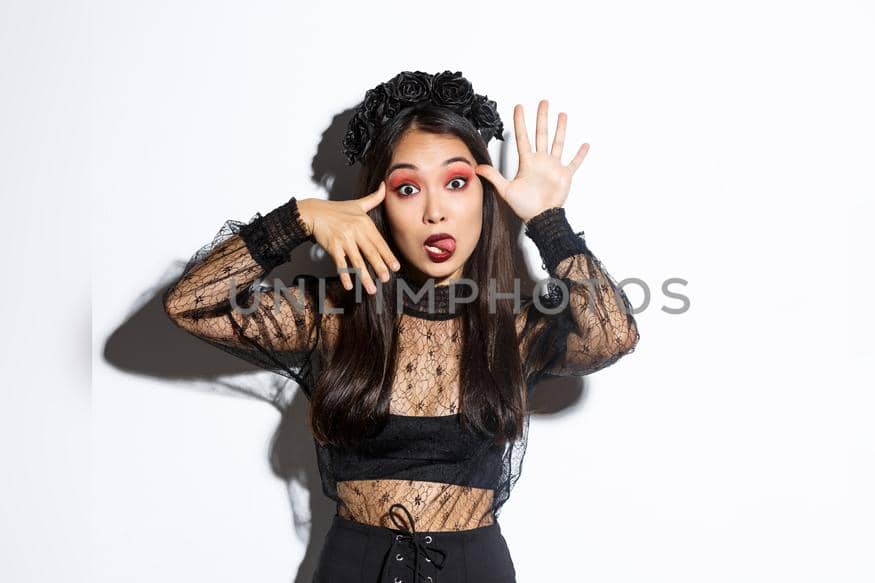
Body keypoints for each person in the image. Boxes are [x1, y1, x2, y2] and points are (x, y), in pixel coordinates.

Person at [164, 70, 639, 583]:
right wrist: (298, 218)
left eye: (456, 183)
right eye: (408, 188)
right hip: (353, 567)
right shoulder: (332, 316)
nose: (436, 211)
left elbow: (612, 336)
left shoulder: (514, 326)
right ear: (380, 205)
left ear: (484, 195)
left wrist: (547, 220)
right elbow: (190, 304)